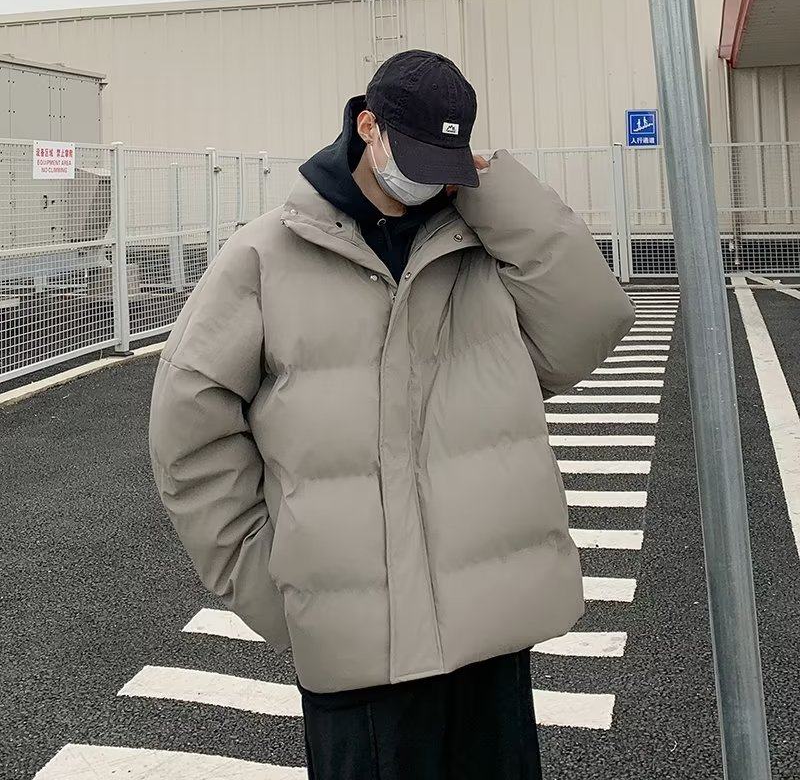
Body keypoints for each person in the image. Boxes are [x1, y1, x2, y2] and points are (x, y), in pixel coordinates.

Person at [148, 48, 635, 779]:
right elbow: (189, 435)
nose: (430, 179)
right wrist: (274, 584)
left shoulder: (479, 245)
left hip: (488, 636)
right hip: (358, 653)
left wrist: (497, 193)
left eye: (446, 161)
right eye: (416, 156)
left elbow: (588, 327)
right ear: (367, 126)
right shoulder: (266, 256)